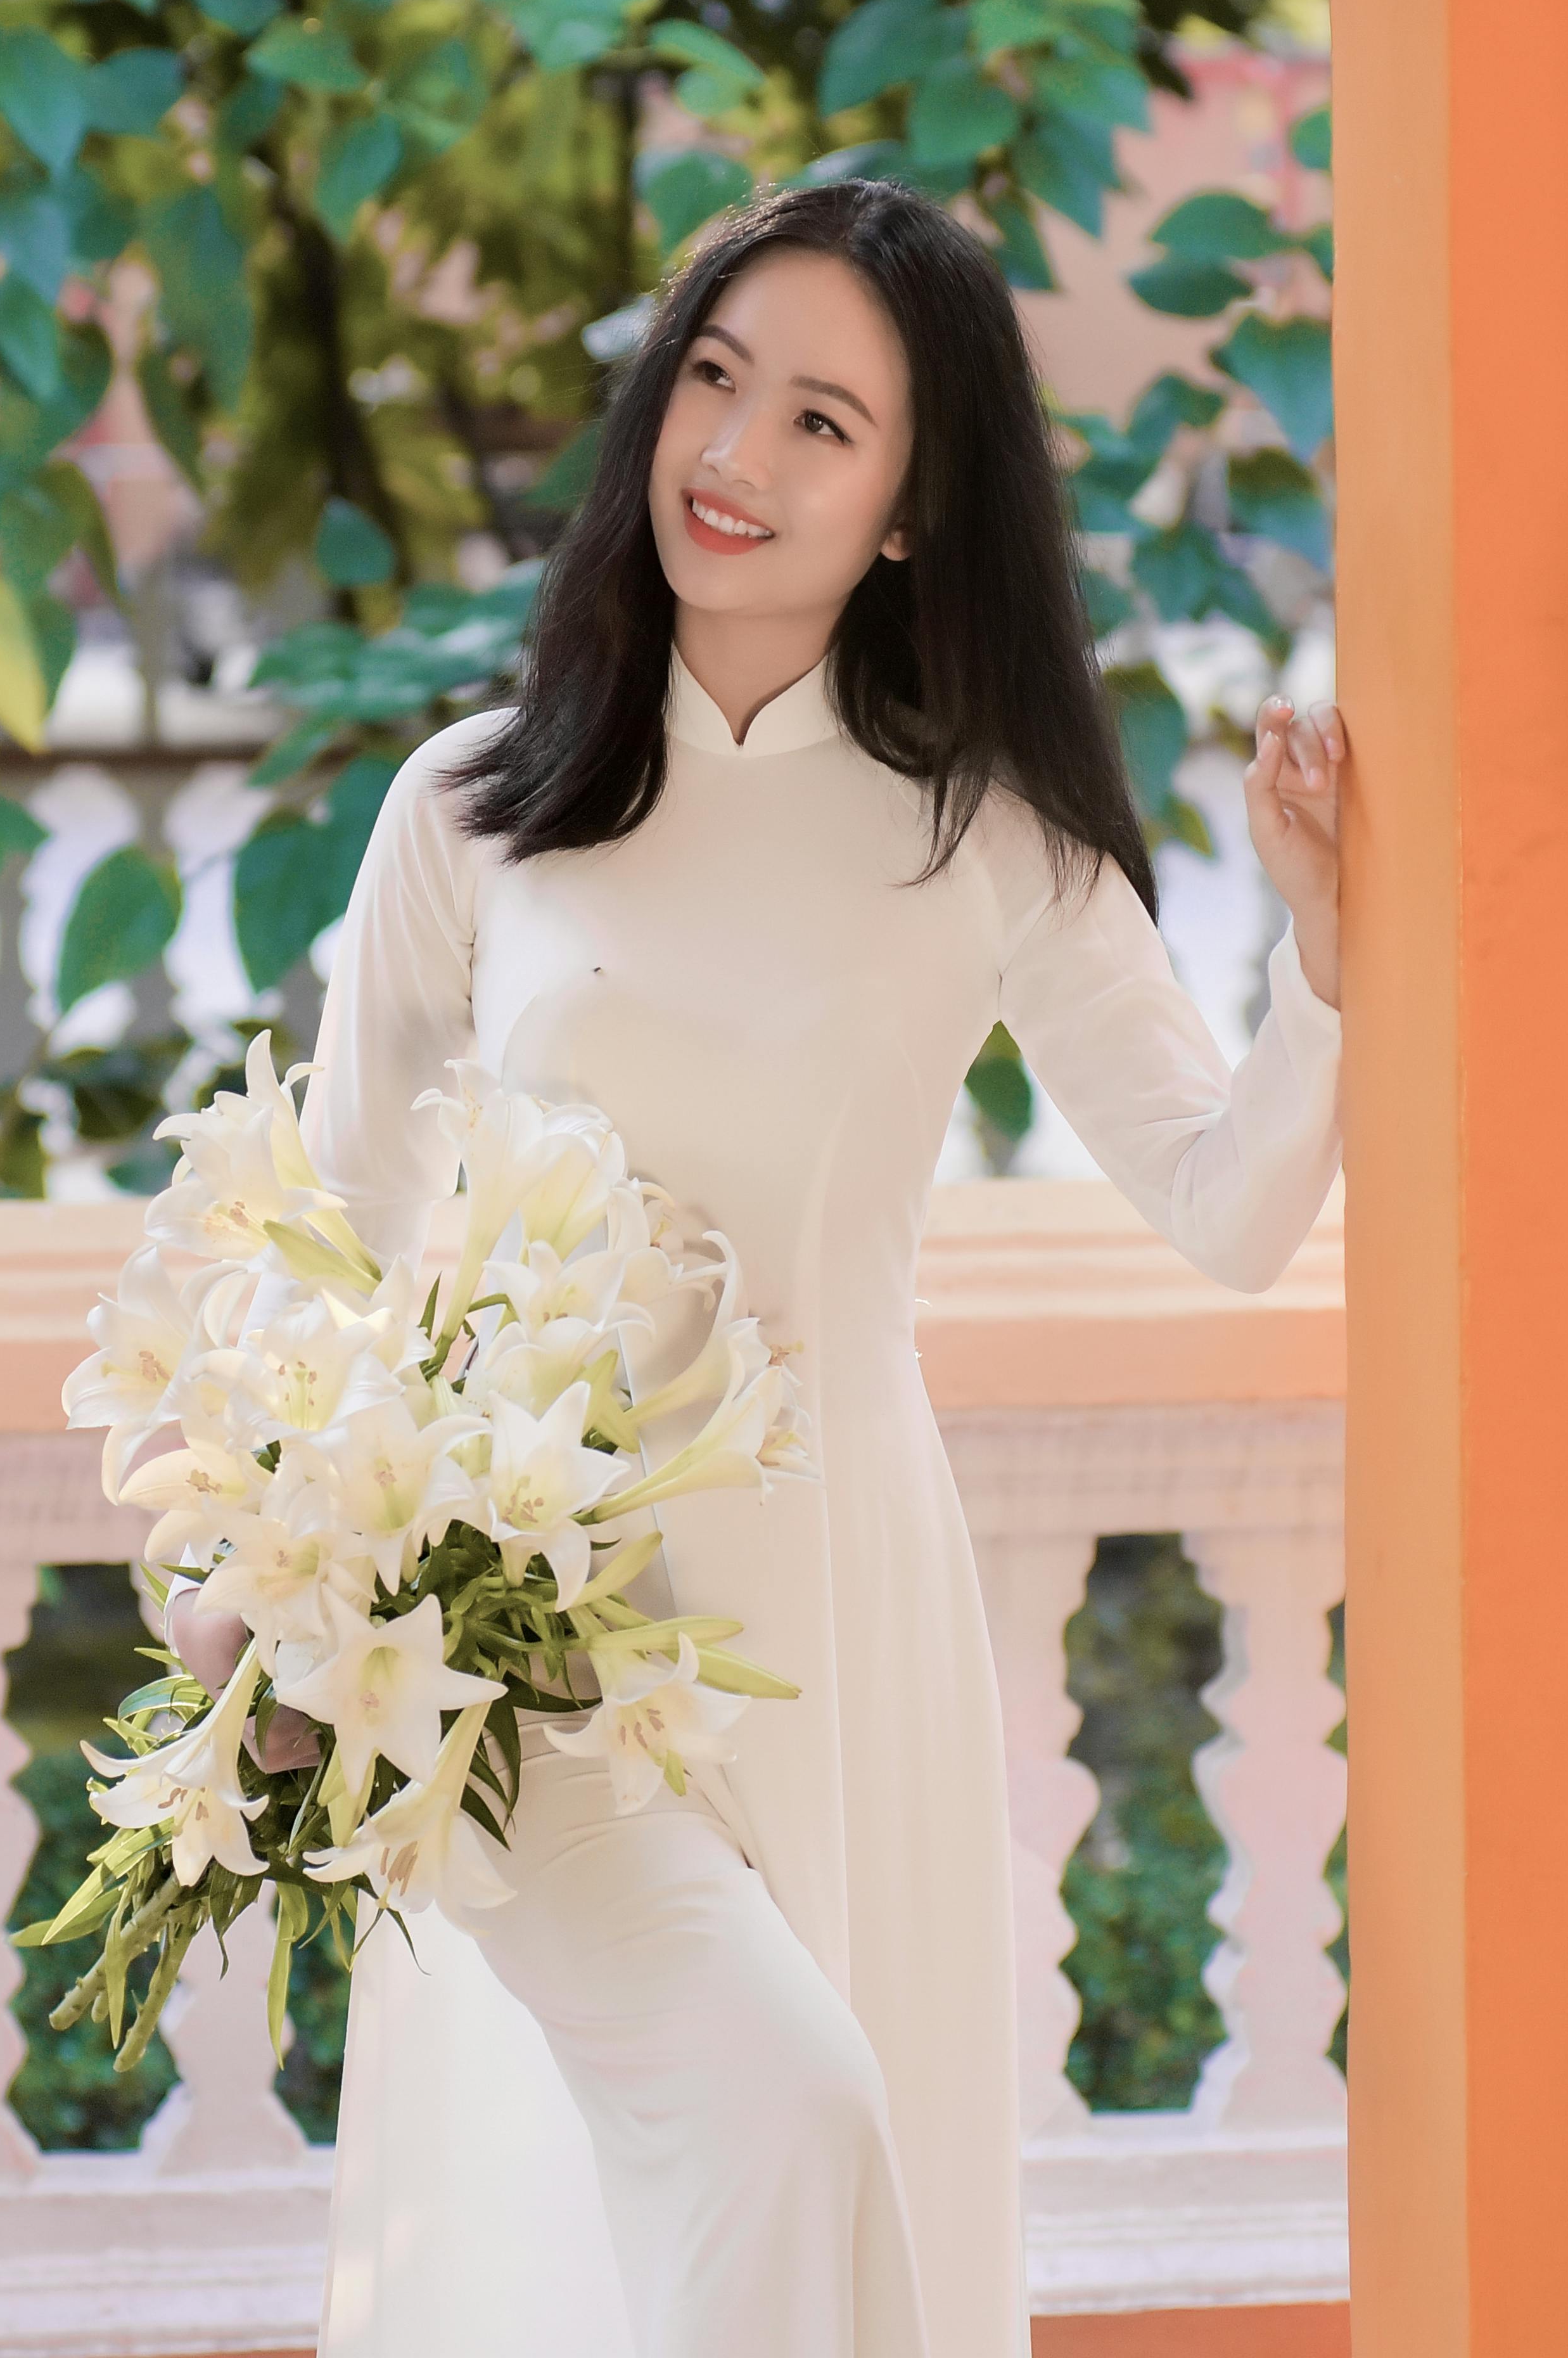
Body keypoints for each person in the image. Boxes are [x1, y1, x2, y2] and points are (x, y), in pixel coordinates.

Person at [302, 179, 1349, 2358]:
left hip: (833, 1596)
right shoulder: (474, 812)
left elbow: (1228, 1206)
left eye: (819, 422)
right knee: (717, 2143)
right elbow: (326, 1252)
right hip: (529, 1640)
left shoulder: (990, 838)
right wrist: (273, 1581)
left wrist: (1329, 979)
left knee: (825, 2172)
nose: (735, 456)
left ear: (909, 508)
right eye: (712, 380)